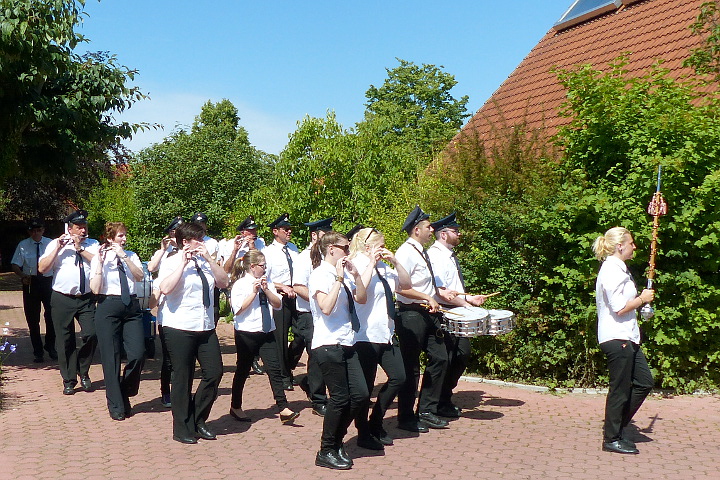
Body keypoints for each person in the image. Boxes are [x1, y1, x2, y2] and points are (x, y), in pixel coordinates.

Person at [156, 222, 229, 444]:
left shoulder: (205, 263)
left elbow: (224, 282)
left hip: (205, 326)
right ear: (185, 242)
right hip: (178, 326)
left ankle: (198, 418)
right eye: (199, 239)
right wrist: (182, 264)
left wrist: (209, 259)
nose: (203, 242)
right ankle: (182, 427)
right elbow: (165, 288)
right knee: (182, 376)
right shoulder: (170, 262)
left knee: (214, 372)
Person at [309, 231, 368, 470]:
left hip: (347, 342)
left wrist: (356, 276)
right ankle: (326, 449)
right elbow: (325, 307)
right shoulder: (320, 274)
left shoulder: (342, 274)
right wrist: (339, 279)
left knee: (361, 395)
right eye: (345, 248)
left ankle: (336, 441)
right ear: (331, 249)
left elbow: (361, 299)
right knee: (340, 398)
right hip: (327, 343)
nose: (349, 252)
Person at [592, 226, 655, 455]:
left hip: (628, 336)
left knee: (644, 381)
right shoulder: (611, 270)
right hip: (616, 336)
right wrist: (642, 299)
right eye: (631, 243)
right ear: (620, 246)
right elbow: (619, 308)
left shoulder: (621, 269)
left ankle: (617, 424)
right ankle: (612, 437)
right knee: (620, 389)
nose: (634, 247)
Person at [348, 227, 411, 449]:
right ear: (367, 246)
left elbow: (406, 284)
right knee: (364, 388)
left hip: (385, 332)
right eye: (381, 245)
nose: (384, 248)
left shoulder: (384, 267)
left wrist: (395, 261)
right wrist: (371, 265)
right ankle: (363, 432)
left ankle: (376, 420)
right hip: (364, 335)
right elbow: (360, 292)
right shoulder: (355, 263)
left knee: (399, 377)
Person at [394, 205, 452, 432]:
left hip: (427, 314)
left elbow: (426, 285)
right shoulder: (405, 253)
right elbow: (400, 289)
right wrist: (427, 297)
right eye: (428, 227)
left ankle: (427, 410)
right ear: (417, 230)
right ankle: (406, 416)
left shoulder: (421, 251)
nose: (432, 230)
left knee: (441, 358)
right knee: (411, 367)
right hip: (410, 315)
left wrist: (442, 294)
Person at [228, 250, 299, 424]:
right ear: (252, 267)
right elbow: (238, 310)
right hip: (247, 333)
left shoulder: (267, 283)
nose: (265, 269)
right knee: (243, 370)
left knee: (274, 369)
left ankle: (283, 407)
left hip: (267, 332)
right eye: (262, 266)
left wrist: (267, 290)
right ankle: (235, 405)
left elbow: (278, 304)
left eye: (266, 266)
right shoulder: (240, 285)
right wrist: (253, 293)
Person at [427, 213, 488, 418]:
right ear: (443, 234)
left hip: (456, 310)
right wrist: (467, 304)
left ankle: (444, 398)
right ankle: (435, 402)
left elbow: (454, 289)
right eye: (455, 231)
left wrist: (470, 299)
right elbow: (440, 290)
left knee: (459, 355)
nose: (459, 234)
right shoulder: (435, 256)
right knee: (448, 357)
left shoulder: (448, 255)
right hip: (445, 311)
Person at [38, 209, 99, 395]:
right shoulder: (55, 244)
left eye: (84, 227)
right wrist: (58, 247)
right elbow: (42, 268)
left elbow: (99, 262)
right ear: (69, 228)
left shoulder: (93, 244)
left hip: (86, 297)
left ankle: (83, 369)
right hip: (62, 297)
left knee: (92, 334)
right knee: (64, 340)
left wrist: (80, 248)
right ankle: (69, 379)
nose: (82, 231)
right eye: (78, 227)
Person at [89, 222, 146, 421]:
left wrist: (123, 256)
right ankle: (115, 403)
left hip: (130, 305)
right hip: (108, 305)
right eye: (120, 236)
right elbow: (95, 289)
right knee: (111, 358)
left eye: (125, 235)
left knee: (138, 354)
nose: (124, 239)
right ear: (110, 238)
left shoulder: (131, 255)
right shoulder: (99, 256)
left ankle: (124, 390)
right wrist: (99, 265)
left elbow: (139, 276)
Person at [292, 217, 333, 416]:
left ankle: (312, 383)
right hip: (309, 313)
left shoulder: (329, 257)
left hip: (327, 313)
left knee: (328, 353)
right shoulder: (304, 257)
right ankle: (318, 400)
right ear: (314, 235)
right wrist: (318, 299)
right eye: (325, 235)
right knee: (316, 355)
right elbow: (298, 286)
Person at [147, 216, 183, 408]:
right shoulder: (165, 252)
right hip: (165, 300)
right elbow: (151, 268)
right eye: (174, 231)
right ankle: (165, 391)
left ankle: (179, 390)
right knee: (168, 358)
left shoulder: (190, 249)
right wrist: (162, 250)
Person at [11, 218, 56, 363]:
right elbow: (15, 264)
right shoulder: (23, 245)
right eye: (32, 230)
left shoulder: (51, 243)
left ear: (43, 230)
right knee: (32, 318)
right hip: (31, 282)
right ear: (29, 231)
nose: (35, 233)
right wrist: (22, 275)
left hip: (48, 281)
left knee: (51, 315)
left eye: (38, 230)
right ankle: (38, 351)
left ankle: (50, 345)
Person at [263, 213, 299, 390]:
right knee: (281, 337)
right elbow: (265, 278)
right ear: (275, 231)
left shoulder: (293, 248)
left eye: (290, 228)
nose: (289, 231)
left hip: (297, 296)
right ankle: (284, 376)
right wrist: (282, 287)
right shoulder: (268, 253)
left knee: (302, 335)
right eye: (286, 229)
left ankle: (289, 364)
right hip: (280, 297)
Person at [191, 212, 222, 325]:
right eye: (197, 223)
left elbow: (218, 262)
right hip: (194, 279)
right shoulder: (189, 241)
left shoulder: (213, 242)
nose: (200, 226)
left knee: (214, 312)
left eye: (202, 223)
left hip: (211, 280)